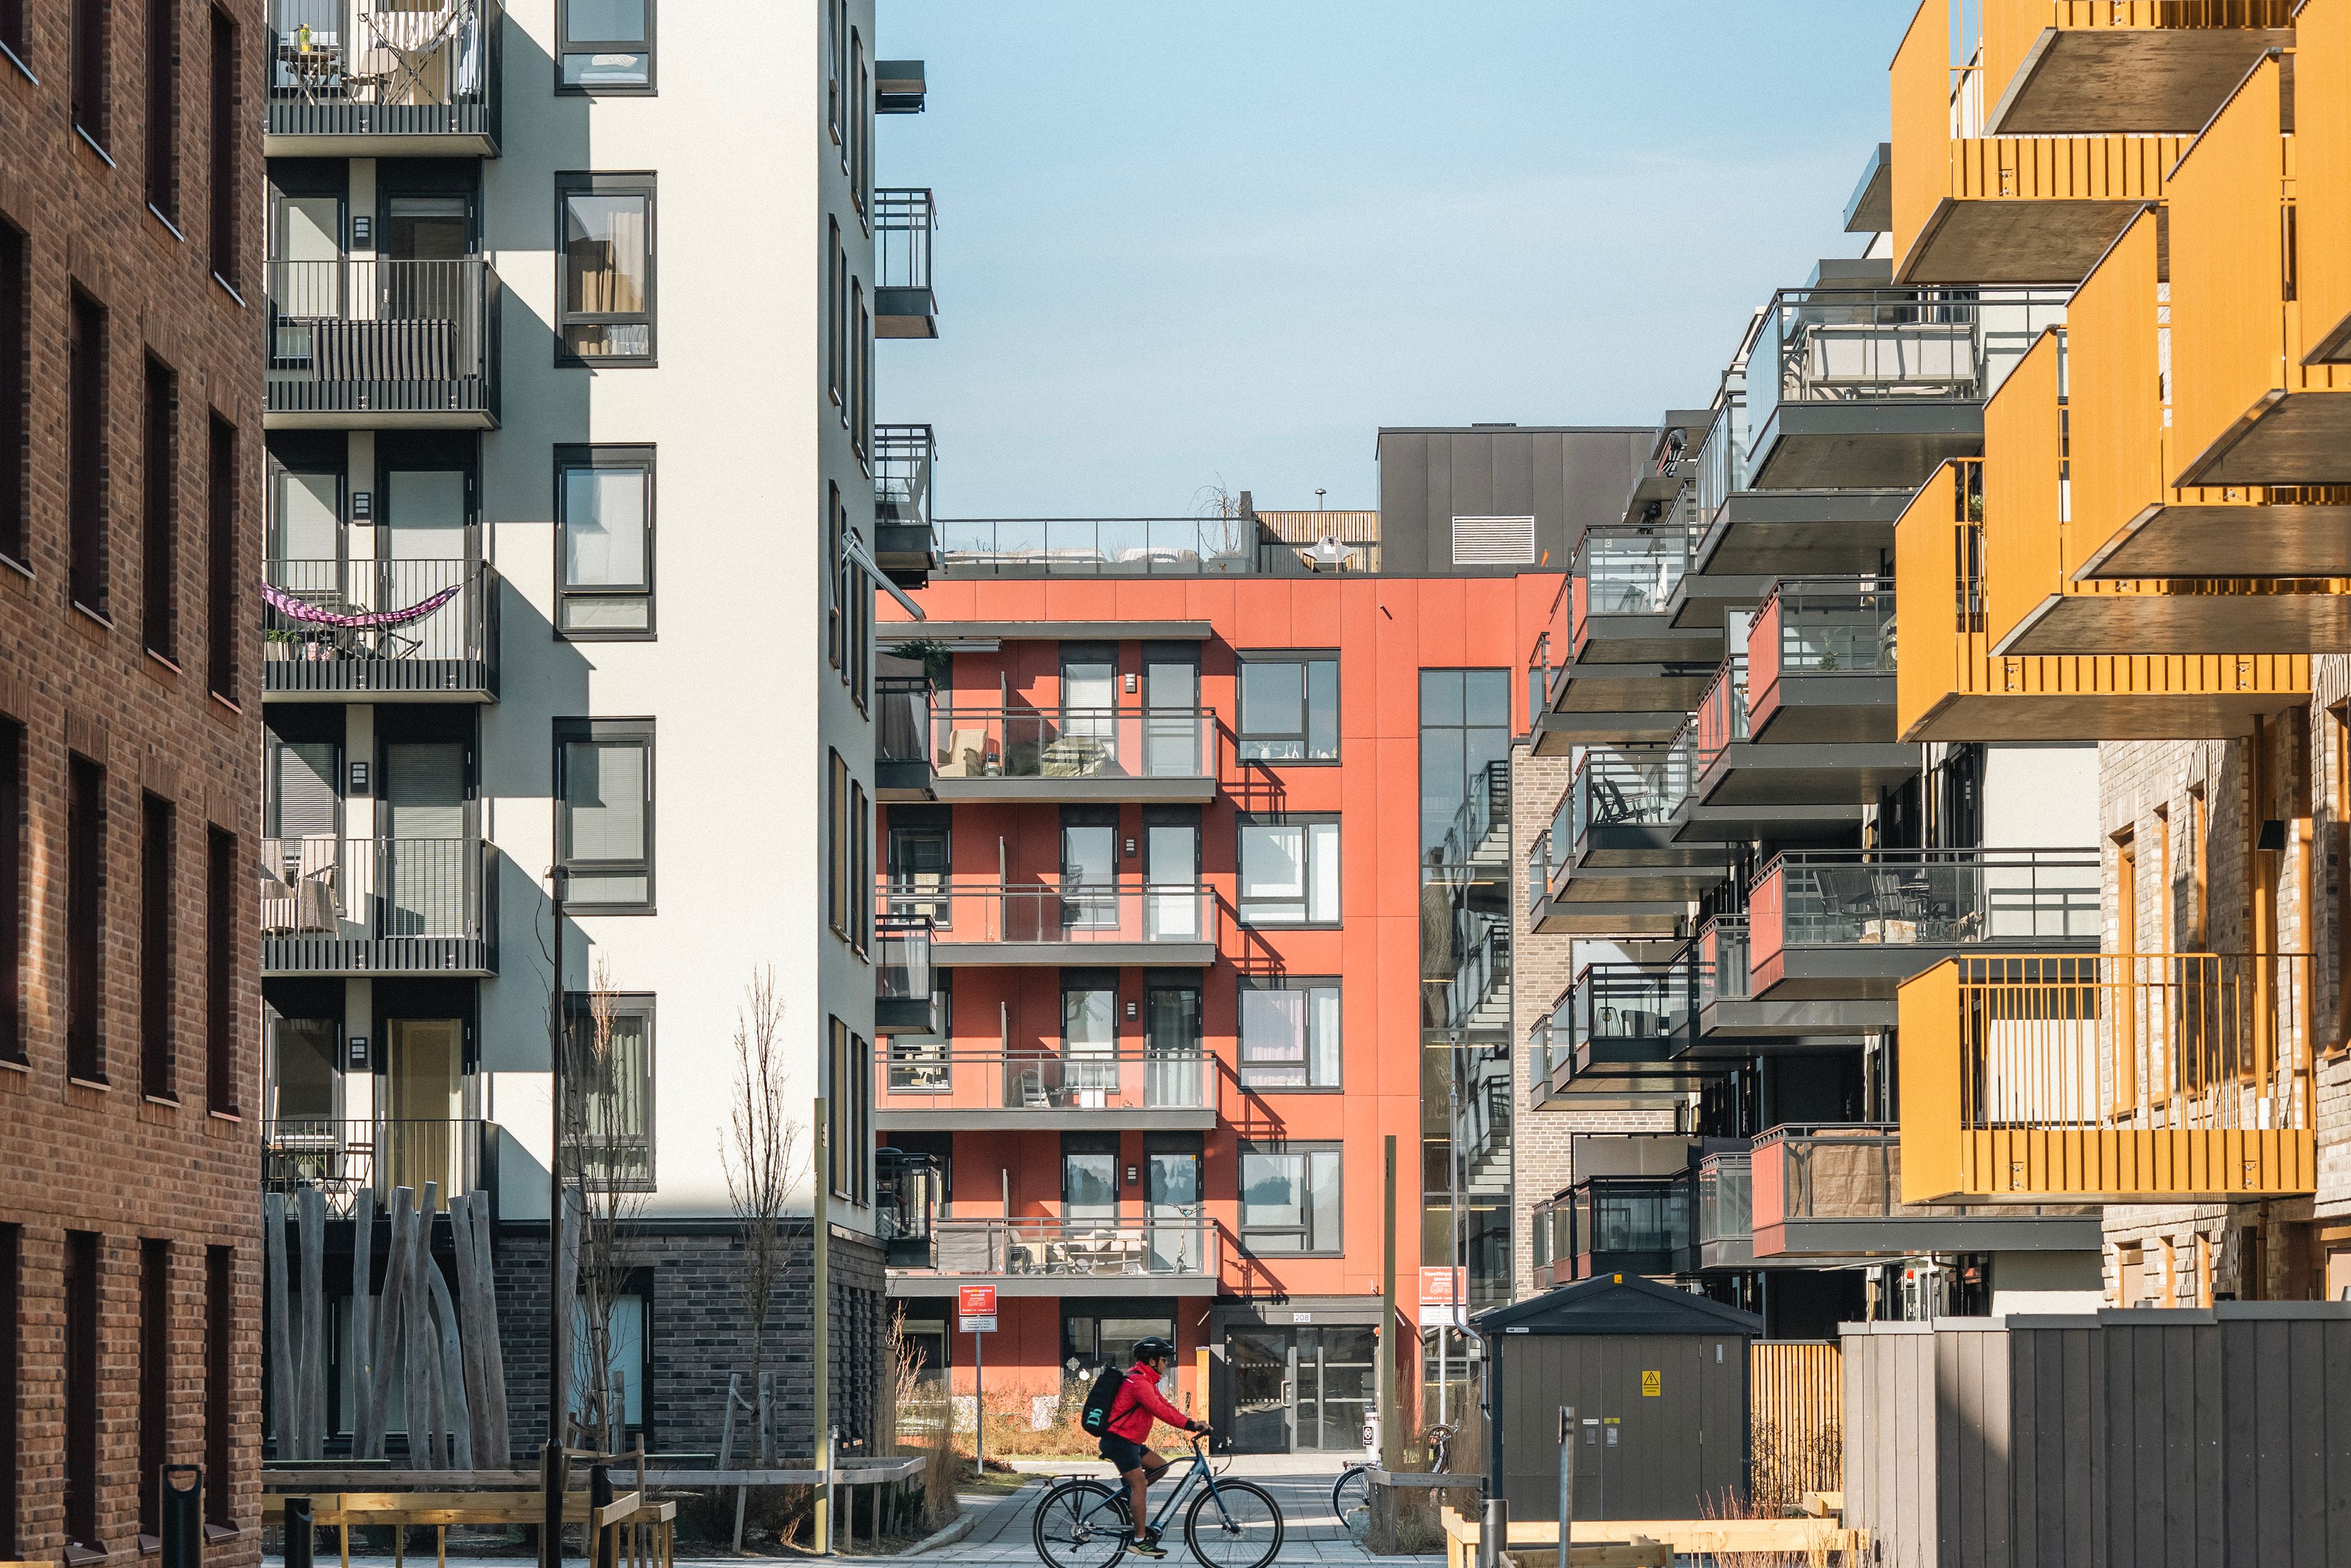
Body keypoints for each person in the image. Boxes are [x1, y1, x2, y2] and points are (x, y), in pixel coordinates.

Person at [1098, 1336, 1206, 1557]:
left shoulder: (1146, 1380)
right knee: (1140, 1485)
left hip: (1130, 1441)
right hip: (1120, 1441)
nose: (1166, 1365)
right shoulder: (1137, 1382)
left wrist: (1191, 1422)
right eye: (1164, 1360)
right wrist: (1191, 1426)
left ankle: (1124, 1498)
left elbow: (1166, 1406)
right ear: (1152, 1361)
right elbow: (1159, 1410)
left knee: (1161, 1466)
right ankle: (1139, 1540)